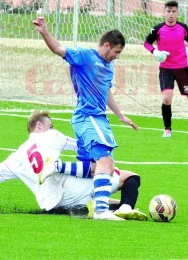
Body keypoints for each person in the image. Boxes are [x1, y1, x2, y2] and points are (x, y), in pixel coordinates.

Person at [33, 17, 139, 221]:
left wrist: (120, 115)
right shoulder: (85, 56)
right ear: (107, 45)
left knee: (94, 167)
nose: (117, 57)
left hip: (96, 119)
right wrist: (45, 32)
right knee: (105, 160)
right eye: (117, 52)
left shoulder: (108, 67)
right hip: (88, 117)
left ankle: (57, 167)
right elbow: (58, 49)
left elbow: (105, 90)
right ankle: (101, 211)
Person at [0, 111, 147, 221]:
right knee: (124, 174)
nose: (53, 128)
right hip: (69, 189)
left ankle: (94, 206)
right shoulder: (51, 136)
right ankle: (125, 207)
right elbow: (84, 146)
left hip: (50, 204)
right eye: (51, 125)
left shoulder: (15, 158)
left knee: (100, 185)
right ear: (39, 126)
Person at [143, 0, 188, 139]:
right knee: (166, 98)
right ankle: (167, 129)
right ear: (164, 12)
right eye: (168, 11)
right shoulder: (157, 29)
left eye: (173, 11)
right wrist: (155, 52)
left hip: (182, 69)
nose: (171, 14)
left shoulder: (183, 28)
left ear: (177, 13)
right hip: (166, 69)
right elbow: (146, 43)